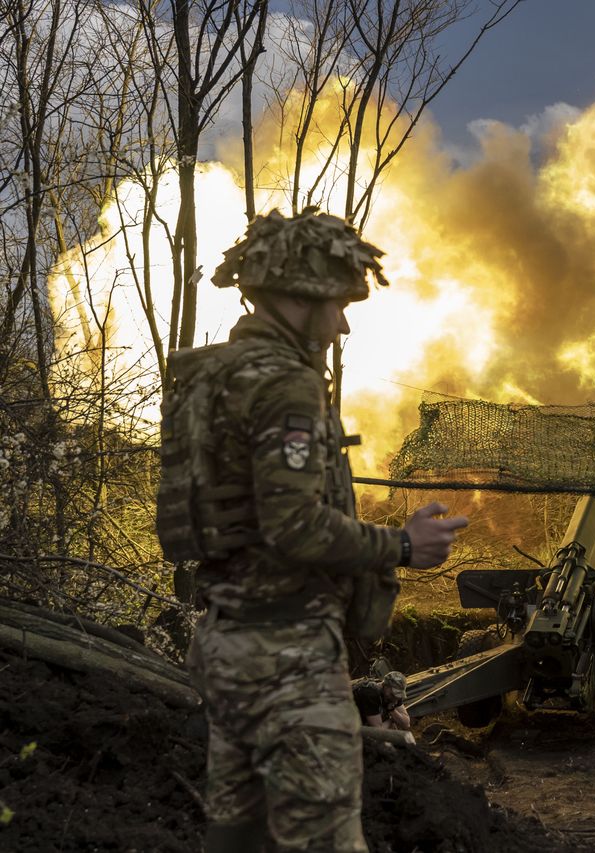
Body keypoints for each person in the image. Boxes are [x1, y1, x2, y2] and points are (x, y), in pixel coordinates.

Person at [173, 208, 469, 853]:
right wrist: (402, 546)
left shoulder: (211, 378)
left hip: (227, 645)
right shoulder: (286, 388)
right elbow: (294, 527)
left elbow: (247, 517)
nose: (343, 320)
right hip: (290, 658)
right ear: (300, 297)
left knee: (239, 840)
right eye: (337, 302)